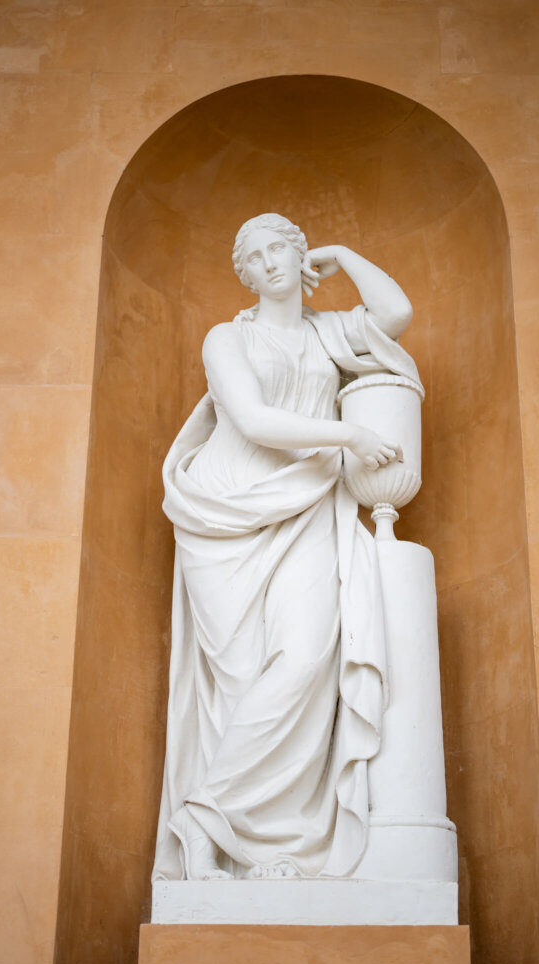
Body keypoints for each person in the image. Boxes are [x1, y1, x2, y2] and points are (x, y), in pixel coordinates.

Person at [152, 213, 420, 881]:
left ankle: (204, 813)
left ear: (299, 257)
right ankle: (235, 844)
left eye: (282, 249)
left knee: (303, 663)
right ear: (242, 274)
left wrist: (343, 252)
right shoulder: (225, 338)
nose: (271, 264)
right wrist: (349, 437)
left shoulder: (329, 332)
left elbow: (396, 310)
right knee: (245, 684)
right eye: (256, 257)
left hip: (305, 505)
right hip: (225, 512)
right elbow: (251, 420)